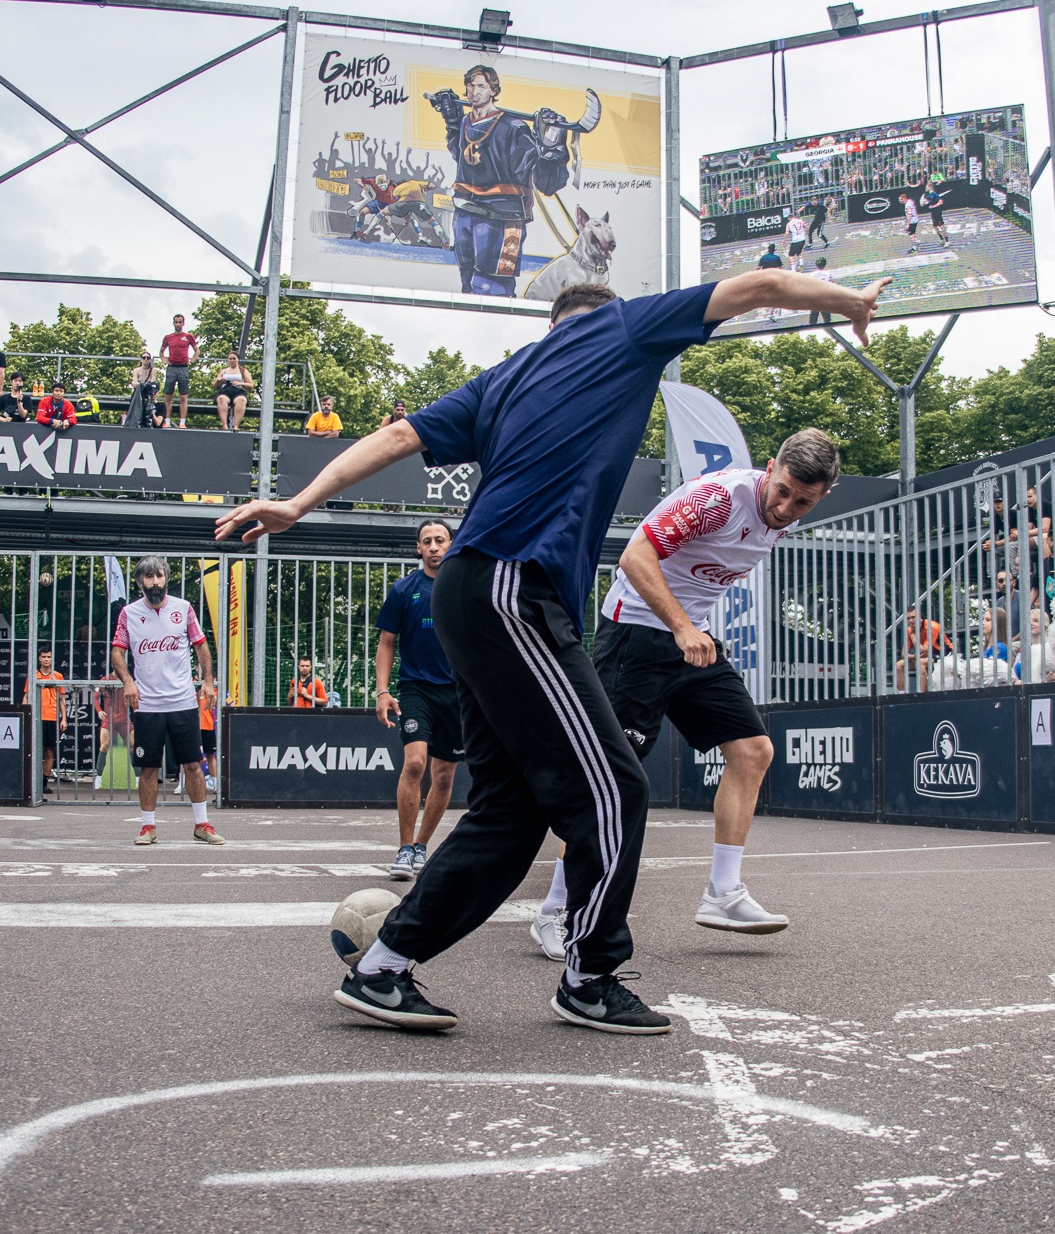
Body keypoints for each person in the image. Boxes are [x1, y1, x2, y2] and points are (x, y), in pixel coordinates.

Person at [217, 266, 887, 1035]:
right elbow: (757, 286)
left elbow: (400, 436)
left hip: (469, 594)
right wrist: (847, 301)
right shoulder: (622, 331)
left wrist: (298, 501)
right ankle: (590, 977)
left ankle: (383, 966)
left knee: (512, 811)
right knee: (617, 789)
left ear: (549, 326)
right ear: (606, 318)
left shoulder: (503, 379)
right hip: (512, 588)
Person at [529, 429, 843, 957]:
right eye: (783, 491)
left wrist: (687, 630)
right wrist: (680, 626)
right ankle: (555, 911)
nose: (785, 508)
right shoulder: (717, 497)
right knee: (611, 779)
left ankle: (723, 893)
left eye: (803, 502)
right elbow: (635, 557)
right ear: (770, 468)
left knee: (753, 751)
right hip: (636, 635)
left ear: (822, 496)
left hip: (691, 640)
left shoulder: (784, 517)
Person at [425, 63, 574, 297]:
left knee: (491, 288)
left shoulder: (513, 127)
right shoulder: (465, 123)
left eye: (481, 86)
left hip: (501, 219)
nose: (474, 92)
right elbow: (461, 156)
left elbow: (544, 181)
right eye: (470, 85)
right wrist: (452, 122)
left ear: (493, 90)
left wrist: (551, 145)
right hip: (465, 212)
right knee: (467, 282)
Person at [111, 557, 225, 847]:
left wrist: (208, 681)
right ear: (140, 582)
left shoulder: (183, 608)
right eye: (149, 577)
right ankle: (147, 827)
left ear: (166, 579)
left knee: (193, 765)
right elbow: (117, 653)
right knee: (149, 768)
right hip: (147, 705)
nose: (155, 582)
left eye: (159, 576)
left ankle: (202, 825)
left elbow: (201, 647)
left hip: (183, 702)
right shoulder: (128, 613)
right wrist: (128, 682)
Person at [375, 519, 465, 879]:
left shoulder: (464, 587)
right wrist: (382, 691)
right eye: (426, 541)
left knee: (443, 775)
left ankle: (421, 846)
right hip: (416, 688)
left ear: (451, 544)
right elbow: (386, 643)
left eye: (440, 540)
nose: (433, 547)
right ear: (418, 548)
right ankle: (403, 848)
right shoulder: (403, 589)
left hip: (457, 692)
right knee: (414, 764)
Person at [27, 649, 64, 777]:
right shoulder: (33, 676)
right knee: (33, 752)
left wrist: (64, 719)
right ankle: (32, 782)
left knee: (49, 752)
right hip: (36, 718)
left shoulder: (58, 676)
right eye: (44, 657)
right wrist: (26, 716)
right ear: (39, 659)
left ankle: (44, 783)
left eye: (49, 657)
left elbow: (61, 699)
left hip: (52, 717)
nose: (46, 659)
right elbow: (26, 697)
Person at [160, 315, 197, 428]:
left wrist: (192, 360)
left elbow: (197, 350)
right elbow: (161, 351)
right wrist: (163, 359)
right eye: (176, 322)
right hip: (172, 368)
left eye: (180, 322)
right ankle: (167, 421)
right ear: (173, 323)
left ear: (183, 323)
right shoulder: (168, 337)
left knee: (183, 396)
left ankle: (182, 422)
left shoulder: (188, 336)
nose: (178, 324)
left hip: (183, 368)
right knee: (168, 396)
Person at [214, 353, 254, 430]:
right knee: (221, 399)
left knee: (241, 400)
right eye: (230, 359)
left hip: (238, 391)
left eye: (234, 359)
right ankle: (224, 425)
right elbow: (215, 386)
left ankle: (236, 426)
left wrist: (240, 383)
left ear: (238, 359)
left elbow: (250, 385)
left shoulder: (243, 371)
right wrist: (218, 380)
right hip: (225, 391)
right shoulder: (224, 371)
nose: (232, 361)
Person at [126, 353, 160, 430]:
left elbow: (153, 383)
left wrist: (142, 385)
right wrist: (143, 385)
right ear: (141, 359)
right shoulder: (136, 370)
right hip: (138, 394)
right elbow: (134, 383)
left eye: (148, 358)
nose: (146, 359)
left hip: (148, 394)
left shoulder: (153, 370)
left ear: (150, 360)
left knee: (148, 411)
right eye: (144, 358)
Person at [197, 681, 218, 791]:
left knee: (210, 755)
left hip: (208, 727)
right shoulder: (194, 689)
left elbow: (228, 704)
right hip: (194, 727)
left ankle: (215, 784)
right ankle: (182, 783)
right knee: (188, 756)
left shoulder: (215, 691)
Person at [806, 257, 836, 326]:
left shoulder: (812, 275)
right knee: (827, 317)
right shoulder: (828, 274)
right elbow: (832, 286)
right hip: (825, 297)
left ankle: (812, 328)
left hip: (815, 297)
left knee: (813, 317)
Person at [921, 178, 951, 246]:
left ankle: (947, 241)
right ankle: (941, 239)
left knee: (941, 225)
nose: (925, 188)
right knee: (935, 226)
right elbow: (926, 201)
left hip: (937, 211)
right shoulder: (928, 195)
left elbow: (940, 202)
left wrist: (934, 206)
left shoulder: (935, 194)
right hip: (933, 212)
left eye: (926, 187)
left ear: (930, 187)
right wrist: (924, 203)